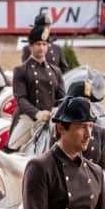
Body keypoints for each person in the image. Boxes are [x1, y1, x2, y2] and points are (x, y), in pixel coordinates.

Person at [9, 24, 65, 152]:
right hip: (30, 119)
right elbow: (21, 99)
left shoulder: (56, 71)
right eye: (38, 44)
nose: (42, 48)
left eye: (44, 44)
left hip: (53, 119)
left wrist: (57, 109)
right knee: (12, 146)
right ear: (30, 46)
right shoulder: (21, 70)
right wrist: (37, 113)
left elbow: (62, 98)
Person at [61, 79, 105, 168]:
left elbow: (104, 168)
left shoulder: (100, 132)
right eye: (80, 101)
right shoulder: (61, 129)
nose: (85, 105)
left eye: (88, 101)